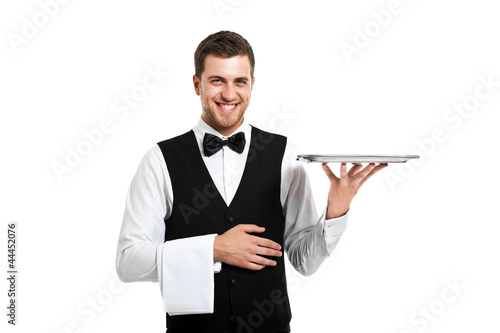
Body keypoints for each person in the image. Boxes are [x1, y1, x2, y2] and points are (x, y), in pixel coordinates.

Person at [115, 30, 387, 333]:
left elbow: (304, 261)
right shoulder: (160, 160)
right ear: (197, 84)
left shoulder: (286, 155)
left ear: (252, 85)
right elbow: (128, 262)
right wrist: (214, 249)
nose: (229, 94)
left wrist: (336, 210)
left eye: (239, 81)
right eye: (217, 80)